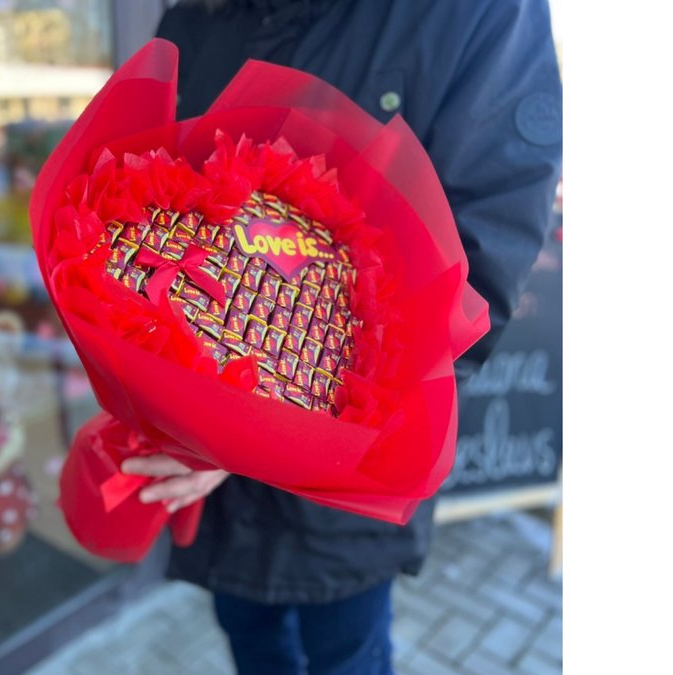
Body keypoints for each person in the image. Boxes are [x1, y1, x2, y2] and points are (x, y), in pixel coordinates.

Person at [119, 1, 563, 673]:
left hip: (343, 468)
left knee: (345, 651)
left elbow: (477, 261)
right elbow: (148, 207)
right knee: (249, 636)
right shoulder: (198, 14)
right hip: (206, 468)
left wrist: (250, 431)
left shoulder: (474, 12)